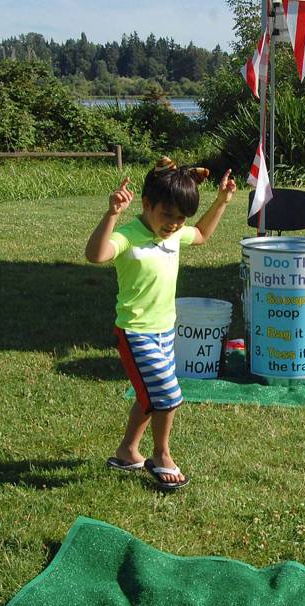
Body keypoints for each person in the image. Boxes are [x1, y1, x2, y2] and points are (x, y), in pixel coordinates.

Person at [85, 157, 237, 490]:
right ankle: (160, 455)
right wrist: (112, 214)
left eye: (180, 218)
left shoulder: (177, 233)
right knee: (167, 394)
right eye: (166, 214)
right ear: (147, 204)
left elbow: (201, 235)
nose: (173, 224)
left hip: (165, 330)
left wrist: (222, 201)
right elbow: (96, 255)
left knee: (147, 395)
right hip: (135, 331)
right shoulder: (130, 235)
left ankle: (127, 451)